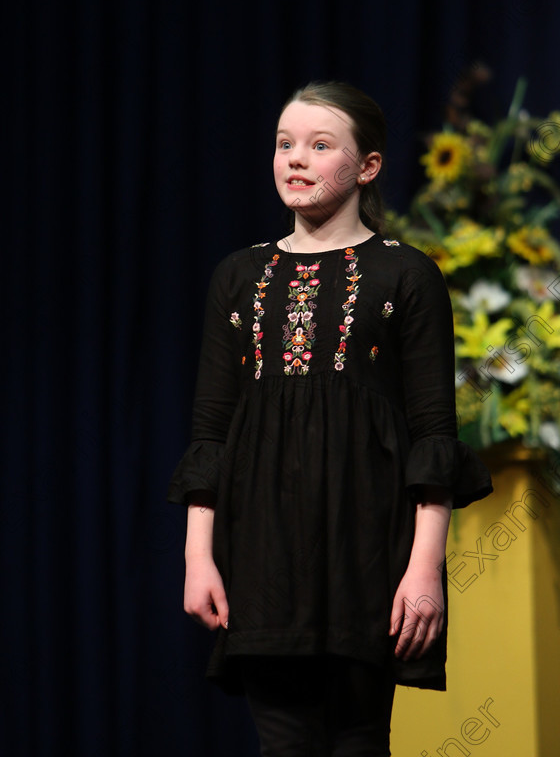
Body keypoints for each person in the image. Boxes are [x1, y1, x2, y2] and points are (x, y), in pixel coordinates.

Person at [167, 81, 492, 756]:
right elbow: (212, 430)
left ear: (367, 166)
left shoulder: (407, 275)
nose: (296, 159)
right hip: (261, 553)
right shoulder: (239, 276)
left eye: (320, 145)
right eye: (285, 144)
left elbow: (434, 431)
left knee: (359, 740)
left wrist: (424, 570)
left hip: (367, 551)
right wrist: (200, 556)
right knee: (283, 743)